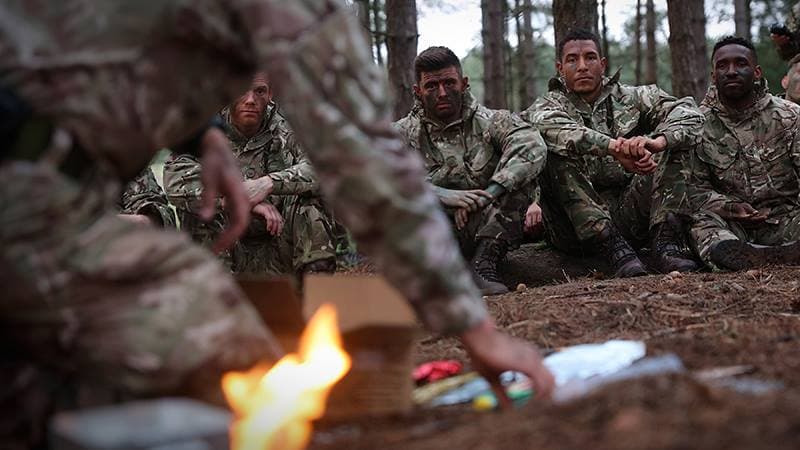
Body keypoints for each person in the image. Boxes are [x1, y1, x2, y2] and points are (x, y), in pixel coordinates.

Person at [0, 1, 554, 440]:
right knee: (231, 355)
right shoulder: (291, 13)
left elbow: (98, 63)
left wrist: (200, 135)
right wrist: (472, 326)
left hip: (45, 192)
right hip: (33, 212)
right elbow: (363, 156)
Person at [523, 29, 702, 277]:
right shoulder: (547, 106)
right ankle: (609, 244)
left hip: (627, 213)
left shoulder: (632, 97)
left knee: (674, 144)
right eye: (573, 59)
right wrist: (615, 148)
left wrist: (658, 142)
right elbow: (558, 131)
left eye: (590, 57)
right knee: (557, 152)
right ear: (560, 68)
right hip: (572, 227)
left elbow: (689, 112)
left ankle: (667, 242)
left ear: (602, 64)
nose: (583, 66)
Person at [394, 46, 547, 295]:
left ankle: (483, 265)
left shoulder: (492, 121)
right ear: (417, 91)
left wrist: (489, 193)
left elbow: (532, 145)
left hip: (485, 227)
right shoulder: (402, 133)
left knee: (518, 179)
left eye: (449, 83)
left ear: (464, 83)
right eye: (432, 86)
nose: (442, 93)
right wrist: (441, 195)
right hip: (432, 230)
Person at [164, 73, 337, 276]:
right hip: (226, 244)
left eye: (259, 91)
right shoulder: (205, 125)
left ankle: (315, 292)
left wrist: (268, 183)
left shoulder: (290, 123)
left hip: (281, 241)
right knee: (200, 208)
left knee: (311, 201)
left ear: (270, 94)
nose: (250, 100)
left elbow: (326, 168)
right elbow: (175, 178)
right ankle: (217, 297)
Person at [689, 36, 800, 270]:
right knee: (700, 222)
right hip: (731, 226)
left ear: (757, 72)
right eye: (722, 65)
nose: (731, 71)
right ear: (713, 76)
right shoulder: (697, 125)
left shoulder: (790, 117)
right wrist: (731, 207)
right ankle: (740, 257)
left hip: (787, 218)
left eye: (741, 63)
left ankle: (781, 253)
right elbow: (695, 189)